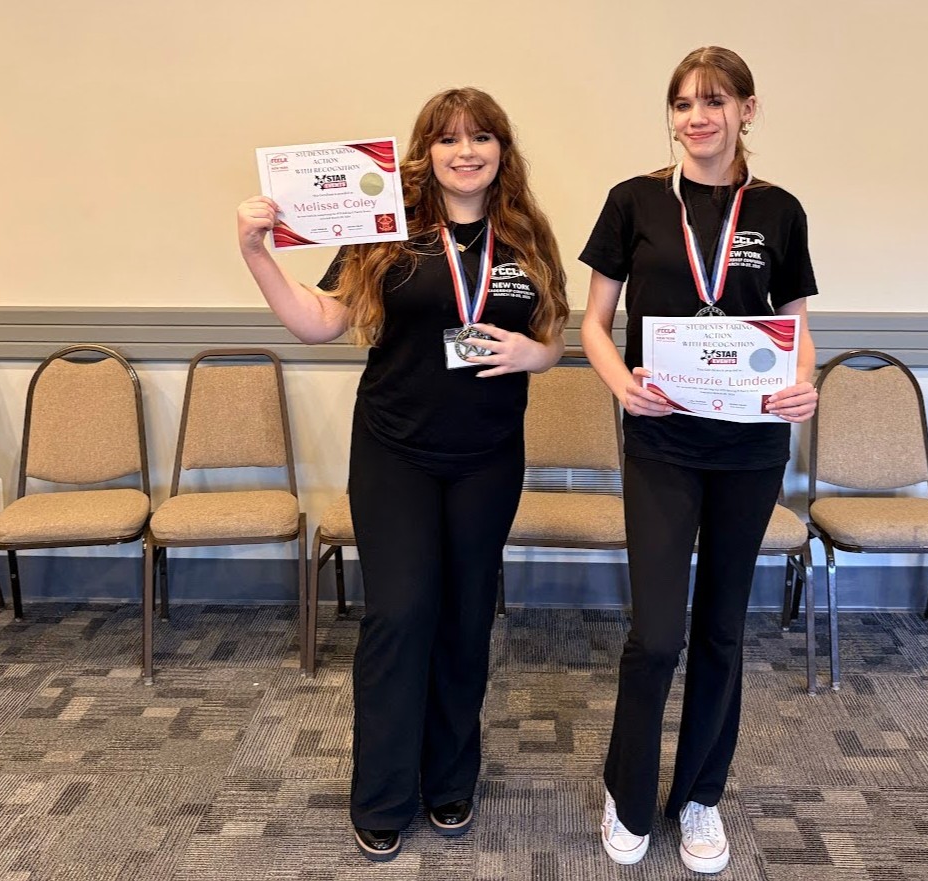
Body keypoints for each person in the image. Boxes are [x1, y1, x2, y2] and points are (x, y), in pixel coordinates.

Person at [236, 87, 568, 862]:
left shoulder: (525, 234)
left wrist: (533, 355)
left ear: (501, 151)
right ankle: (383, 791)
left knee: (464, 615)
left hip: (488, 456)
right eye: (449, 139)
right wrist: (257, 253)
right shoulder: (383, 226)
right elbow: (319, 321)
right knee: (400, 615)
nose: (466, 152)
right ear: (425, 151)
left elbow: (549, 332)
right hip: (396, 451)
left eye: (482, 137)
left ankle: (450, 776)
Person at [579, 47, 819, 874]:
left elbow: (794, 325)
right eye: (682, 103)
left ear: (747, 109)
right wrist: (623, 387)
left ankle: (701, 796)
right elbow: (594, 324)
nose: (697, 117)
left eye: (714, 101)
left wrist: (806, 385)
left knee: (721, 628)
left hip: (751, 446)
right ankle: (628, 789)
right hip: (662, 441)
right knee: (655, 634)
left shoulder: (779, 210)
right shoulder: (635, 201)